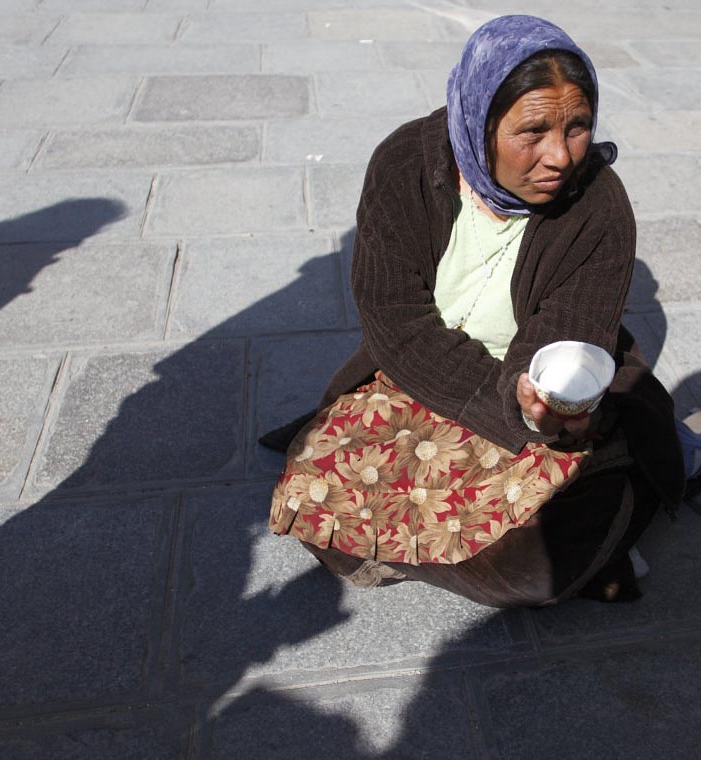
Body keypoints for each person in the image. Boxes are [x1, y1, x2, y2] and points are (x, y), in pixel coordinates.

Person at [263, 15, 685, 607]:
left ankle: (429, 550)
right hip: (420, 377)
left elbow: (566, 337)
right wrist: (489, 404)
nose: (560, 156)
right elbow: (394, 320)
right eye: (532, 131)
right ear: (477, 120)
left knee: (542, 553)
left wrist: (531, 403)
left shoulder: (599, 207)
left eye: (579, 127)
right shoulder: (405, 164)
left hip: (524, 397)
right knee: (308, 488)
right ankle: (542, 559)